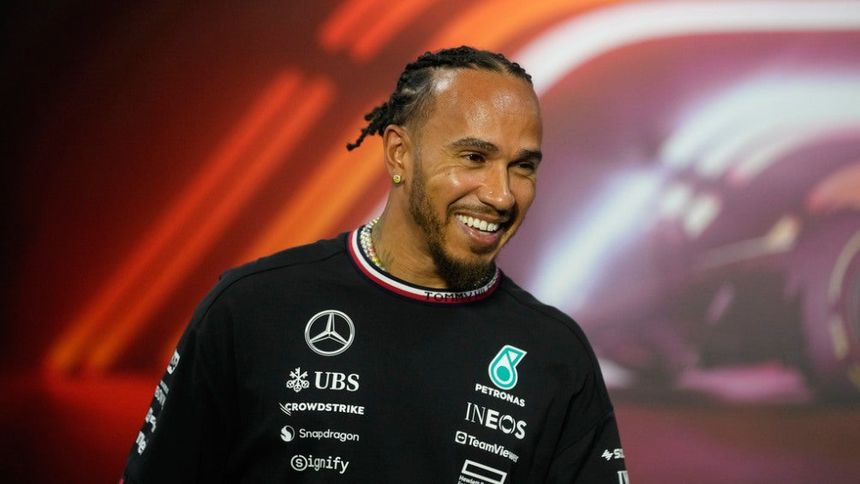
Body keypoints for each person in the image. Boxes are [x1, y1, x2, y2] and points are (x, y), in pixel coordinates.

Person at [122, 46, 628, 483]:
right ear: (399, 154)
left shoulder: (556, 354)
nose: (501, 195)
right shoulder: (250, 308)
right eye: (474, 157)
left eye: (523, 166)